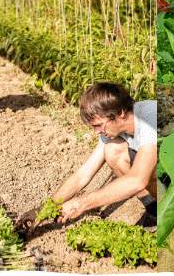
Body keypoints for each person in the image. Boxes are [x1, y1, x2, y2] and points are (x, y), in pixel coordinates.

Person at [14, 82, 158, 232]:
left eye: (98, 125)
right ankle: (155, 211)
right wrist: (43, 210)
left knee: (146, 171)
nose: (96, 132)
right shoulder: (114, 128)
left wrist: (81, 204)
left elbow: (138, 180)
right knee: (112, 150)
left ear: (120, 113)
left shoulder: (151, 118)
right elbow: (83, 174)